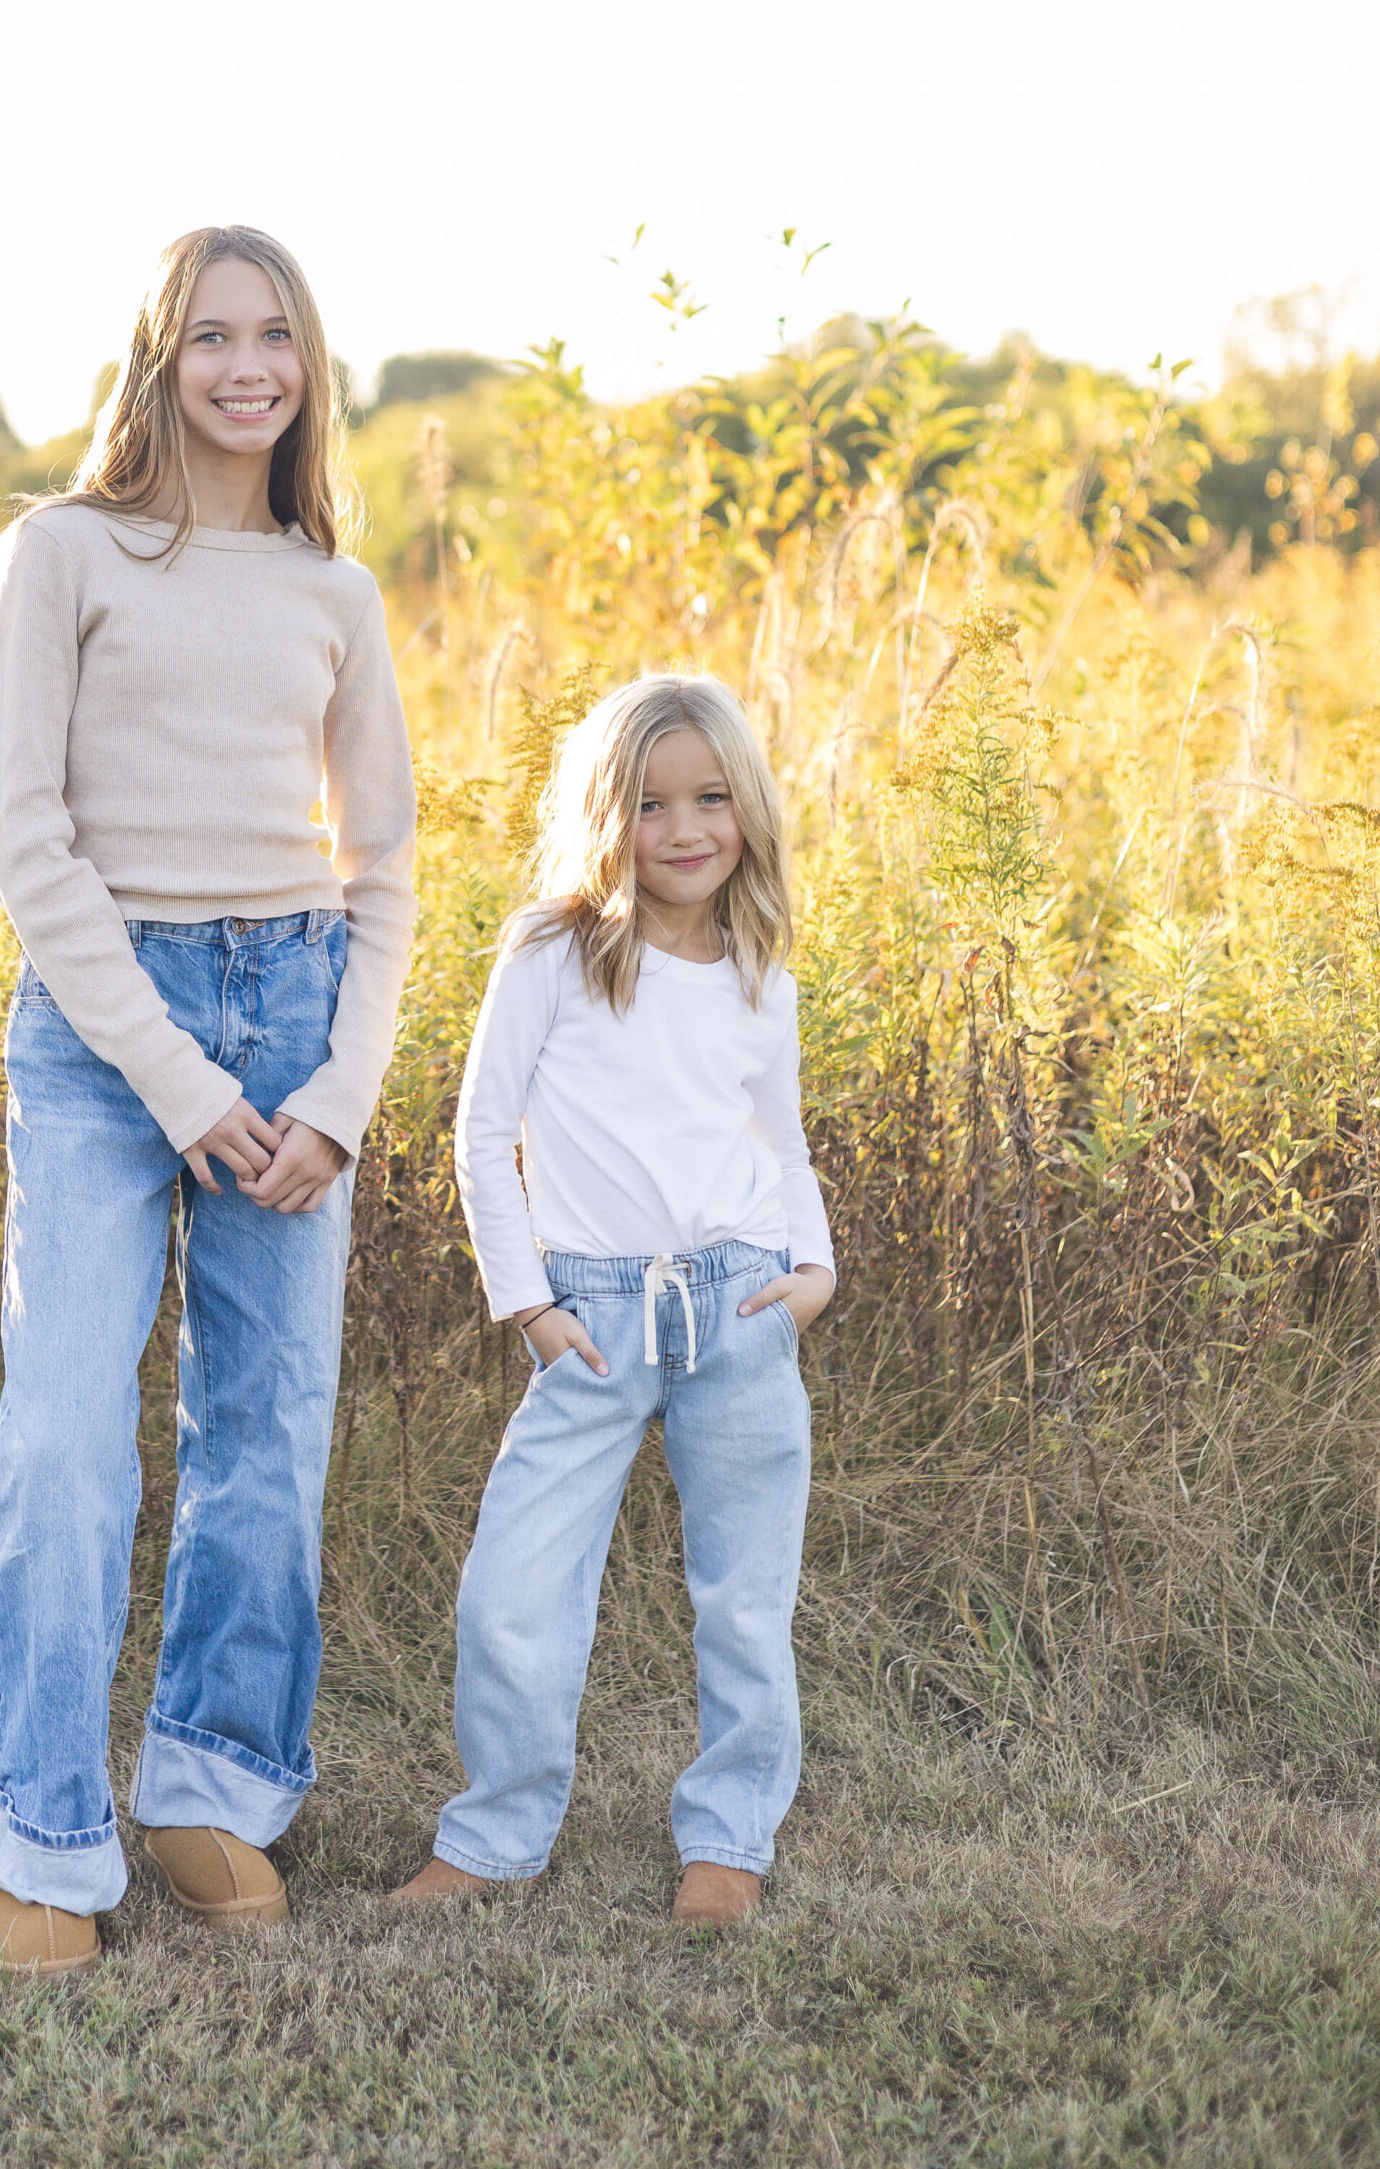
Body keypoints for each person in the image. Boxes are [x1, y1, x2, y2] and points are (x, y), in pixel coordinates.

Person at [0, 226, 416, 1976]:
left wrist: (335, 1097)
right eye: (212, 337)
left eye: (277, 339)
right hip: (103, 1030)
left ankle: (206, 1790)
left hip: (291, 1013)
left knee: (264, 1438)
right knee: (68, 1443)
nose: (247, 368)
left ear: (309, 368)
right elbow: (26, 837)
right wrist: (172, 1079)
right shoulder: (60, 554)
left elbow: (379, 865)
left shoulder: (333, 590)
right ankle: (47, 1842)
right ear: (156, 359)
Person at [395, 673, 833, 1926]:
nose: (684, 829)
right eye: (650, 804)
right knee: (514, 1587)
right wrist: (528, 1306)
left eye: (708, 799)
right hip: (588, 1316)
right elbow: (483, 1135)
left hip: (740, 1310)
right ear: (607, 814)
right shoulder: (552, 952)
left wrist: (813, 1275)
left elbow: (778, 1137)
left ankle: (728, 1840)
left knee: (742, 1594)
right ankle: (492, 1835)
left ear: (744, 807)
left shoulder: (758, 969)